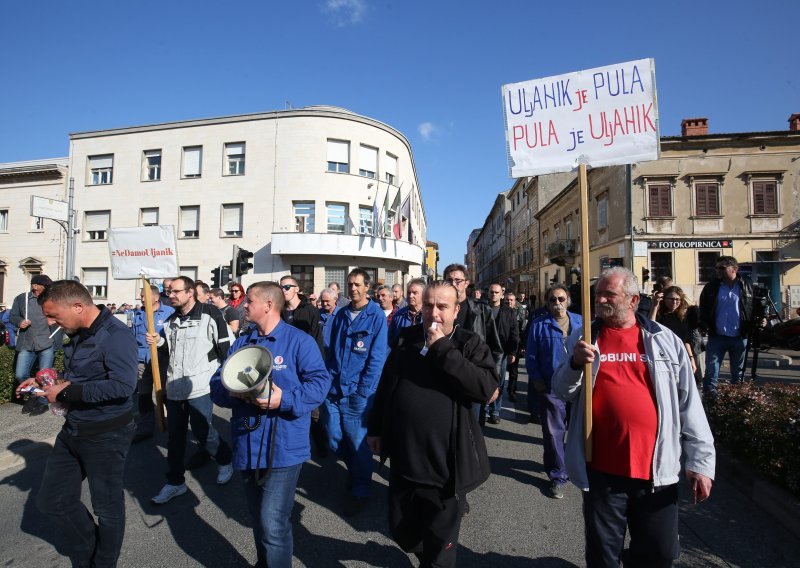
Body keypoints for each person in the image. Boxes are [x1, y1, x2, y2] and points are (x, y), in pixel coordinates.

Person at [553, 267, 715, 567]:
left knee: (660, 554)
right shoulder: (585, 336)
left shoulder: (663, 340)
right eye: (597, 294)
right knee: (602, 556)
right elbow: (562, 391)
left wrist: (700, 462)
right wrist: (575, 363)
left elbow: (689, 404)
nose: (600, 300)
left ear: (632, 300)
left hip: (655, 471)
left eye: (608, 294)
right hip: (602, 470)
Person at [367, 281, 498, 567]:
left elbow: (485, 388)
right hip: (405, 461)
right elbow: (387, 385)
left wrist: (442, 349)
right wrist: (375, 427)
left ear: (456, 310)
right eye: (429, 305)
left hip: (445, 469)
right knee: (402, 530)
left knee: (440, 551)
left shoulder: (468, 344)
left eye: (442, 306)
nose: (434, 313)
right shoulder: (406, 338)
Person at [16, 280, 138, 568]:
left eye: (54, 315)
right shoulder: (80, 331)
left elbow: (123, 385)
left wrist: (67, 392)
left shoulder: (116, 335)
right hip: (74, 429)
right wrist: (49, 381)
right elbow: (82, 374)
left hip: (107, 434)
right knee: (52, 502)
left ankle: (103, 562)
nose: (48, 322)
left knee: (106, 509)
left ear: (79, 306)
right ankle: (88, 552)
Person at [210, 282, 332, 568]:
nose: (242, 305)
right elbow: (218, 383)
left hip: (283, 447)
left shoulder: (299, 341)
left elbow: (320, 384)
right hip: (247, 443)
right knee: (258, 519)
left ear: (268, 304)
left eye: (249, 300)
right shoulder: (243, 343)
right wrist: (232, 390)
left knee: (273, 522)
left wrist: (283, 400)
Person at [147, 276, 234, 504]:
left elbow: (227, 348)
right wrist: (159, 342)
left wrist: (229, 384)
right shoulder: (171, 320)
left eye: (175, 291)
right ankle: (175, 482)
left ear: (190, 292)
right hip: (175, 387)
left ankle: (225, 460)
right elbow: (170, 351)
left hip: (201, 386)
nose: (171, 295)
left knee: (203, 432)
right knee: (175, 438)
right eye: (169, 292)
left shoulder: (210, 314)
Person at [324, 268, 389, 516]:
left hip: (357, 393)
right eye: (350, 284)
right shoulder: (340, 314)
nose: (353, 289)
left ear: (367, 288)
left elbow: (377, 359)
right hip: (334, 389)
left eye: (358, 284)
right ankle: (354, 469)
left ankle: (360, 488)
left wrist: (363, 392)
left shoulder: (375, 317)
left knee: (358, 442)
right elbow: (332, 352)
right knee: (332, 436)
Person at [526, 284, 581, 499]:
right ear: (547, 303)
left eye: (561, 299)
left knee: (577, 431)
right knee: (553, 433)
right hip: (551, 387)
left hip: (578, 387)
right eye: (552, 300)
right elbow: (531, 355)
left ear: (568, 300)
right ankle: (558, 476)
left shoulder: (581, 322)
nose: (557, 303)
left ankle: (575, 466)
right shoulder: (539, 325)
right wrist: (537, 378)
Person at [699, 256, 754, 396]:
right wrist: (704, 324)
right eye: (716, 268)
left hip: (739, 336)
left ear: (734, 269)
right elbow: (704, 308)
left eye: (722, 268)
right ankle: (710, 401)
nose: (718, 271)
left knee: (738, 373)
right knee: (711, 371)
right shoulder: (711, 287)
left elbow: (753, 308)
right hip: (716, 336)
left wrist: (759, 320)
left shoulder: (747, 285)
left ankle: (736, 402)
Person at [9, 274, 61, 415]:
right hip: (27, 342)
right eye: (46, 286)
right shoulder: (22, 299)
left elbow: (60, 315)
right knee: (20, 374)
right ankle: (34, 396)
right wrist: (20, 322)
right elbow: (12, 316)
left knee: (45, 377)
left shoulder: (51, 299)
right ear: (35, 286)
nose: (49, 289)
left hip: (46, 342)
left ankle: (43, 403)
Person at [130, 284, 174, 443]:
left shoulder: (169, 313)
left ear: (155, 297)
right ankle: (145, 428)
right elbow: (133, 338)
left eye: (144, 296)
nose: (141, 298)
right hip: (142, 362)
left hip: (162, 361)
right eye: (141, 296)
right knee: (144, 397)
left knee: (166, 395)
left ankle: (174, 425)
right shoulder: (139, 314)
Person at [649, 285, 702, 383]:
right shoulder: (659, 314)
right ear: (664, 299)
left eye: (678, 299)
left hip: (680, 355)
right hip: (663, 356)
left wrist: (691, 358)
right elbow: (650, 326)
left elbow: (686, 340)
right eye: (671, 299)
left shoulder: (683, 316)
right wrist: (655, 306)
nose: (674, 302)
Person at [485, 282, 519, 424]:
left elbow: (514, 333)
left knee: (499, 381)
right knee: (483, 380)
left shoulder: (509, 312)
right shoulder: (482, 309)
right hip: (483, 351)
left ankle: (495, 411)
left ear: (501, 294)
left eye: (496, 292)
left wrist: (512, 352)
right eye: (492, 292)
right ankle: (484, 409)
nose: (494, 294)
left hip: (502, 352)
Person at [279, 276, 324, 353]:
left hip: (306, 355)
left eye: (287, 287)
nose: (283, 290)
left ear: (296, 289)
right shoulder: (278, 311)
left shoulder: (311, 310)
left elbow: (317, 338)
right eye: (281, 288)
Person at [387, 278, 425, 348]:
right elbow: (390, 341)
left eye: (415, 293)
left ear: (424, 295)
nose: (410, 296)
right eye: (408, 293)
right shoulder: (398, 315)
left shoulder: (429, 316)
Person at [504, 291, 527, 403]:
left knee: (513, 371)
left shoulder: (521, 311)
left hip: (515, 345)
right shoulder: (501, 311)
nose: (509, 302)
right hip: (502, 345)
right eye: (507, 300)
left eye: (511, 300)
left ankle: (512, 391)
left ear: (515, 301)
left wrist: (522, 346)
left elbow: (523, 329)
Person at [318, 287, 340, 356]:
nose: (324, 303)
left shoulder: (341, 314)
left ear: (335, 300)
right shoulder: (317, 313)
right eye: (322, 301)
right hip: (319, 353)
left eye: (327, 301)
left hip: (335, 354)